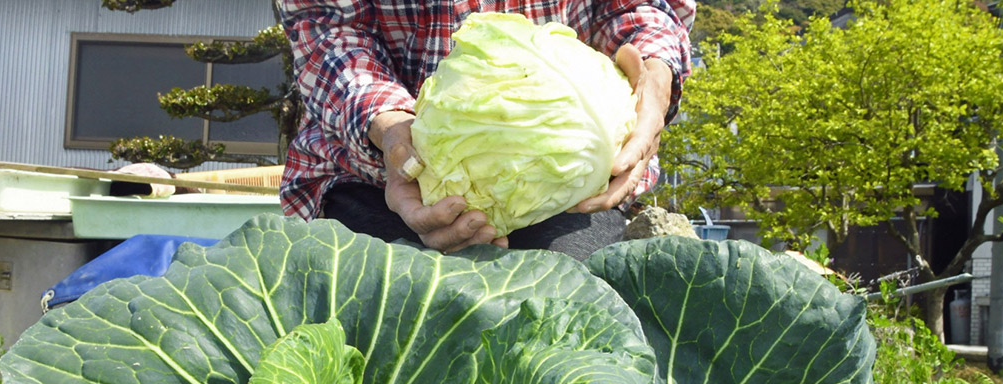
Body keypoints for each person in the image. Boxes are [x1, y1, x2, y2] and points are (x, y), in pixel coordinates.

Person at [279, 1, 695, 259]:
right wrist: (389, 128)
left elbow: (638, 6)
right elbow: (328, 27)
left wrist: (653, 76)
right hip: (370, 172)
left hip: (568, 186)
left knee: (575, 327)